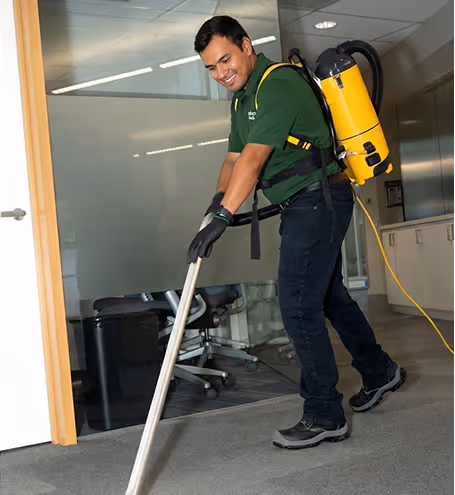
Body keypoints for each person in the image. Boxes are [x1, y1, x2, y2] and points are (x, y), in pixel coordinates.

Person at [187, 16, 406, 450]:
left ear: (246, 45)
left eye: (225, 59)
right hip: (302, 203)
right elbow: (232, 159)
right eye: (210, 67)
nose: (220, 73)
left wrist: (224, 219)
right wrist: (217, 202)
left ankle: (325, 414)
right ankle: (380, 372)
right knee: (328, 296)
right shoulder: (241, 99)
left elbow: (253, 159)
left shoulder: (277, 84)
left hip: (318, 200)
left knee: (298, 305)